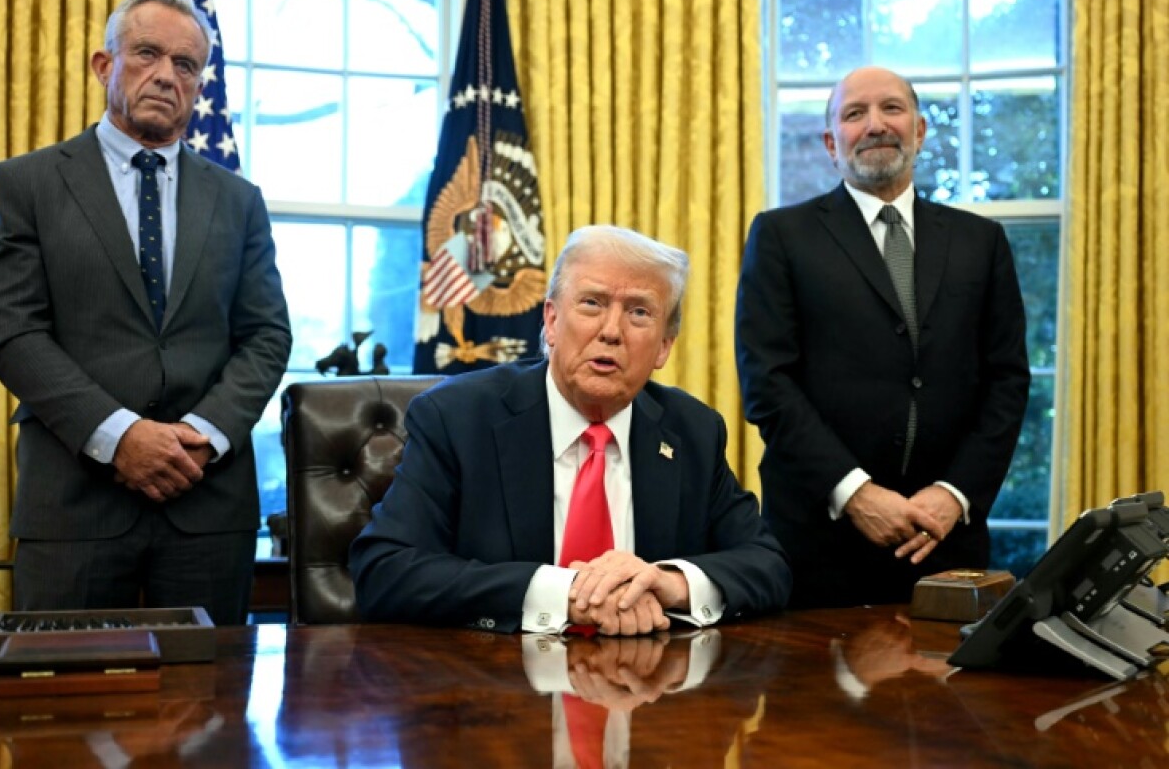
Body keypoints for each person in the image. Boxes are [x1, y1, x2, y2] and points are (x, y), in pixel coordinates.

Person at [0, 0, 291, 624]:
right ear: (104, 65)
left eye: (185, 65)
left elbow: (267, 336)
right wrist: (120, 437)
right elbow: (14, 333)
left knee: (209, 713)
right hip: (75, 500)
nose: (166, 76)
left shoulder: (239, 200)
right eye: (147, 53)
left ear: (199, 84)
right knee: (62, 711)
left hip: (208, 501)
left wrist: (199, 437)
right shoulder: (26, 184)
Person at [351, 224, 791, 635]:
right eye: (592, 303)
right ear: (552, 320)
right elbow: (386, 569)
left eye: (639, 312)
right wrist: (562, 594)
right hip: (498, 693)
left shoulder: (691, 431)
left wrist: (668, 582)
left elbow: (766, 563)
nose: (611, 331)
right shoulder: (458, 418)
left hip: (648, 697)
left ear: (663, 347)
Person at [734, 66, 1030, 608]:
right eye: (854, 114)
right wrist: (857, 494)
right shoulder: (781, 236)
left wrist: (953, 494)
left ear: (919, 130)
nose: (875, 125)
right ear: (830, 142)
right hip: (818, 547)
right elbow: (766, 384)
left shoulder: (981, 242)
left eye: (891, 109)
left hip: (945, 541)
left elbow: (1007, 382)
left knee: (954, 692)